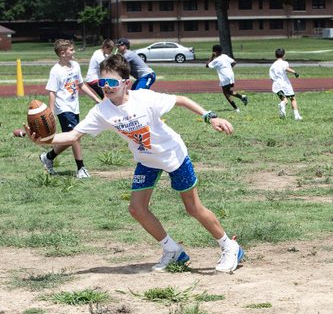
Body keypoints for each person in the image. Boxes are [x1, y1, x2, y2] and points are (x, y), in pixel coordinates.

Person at [28, 53, 245, 273]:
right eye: (102, 82)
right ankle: (173, 251)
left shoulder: (144, 98)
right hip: (147, 160)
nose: (106, 86)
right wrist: (45, 140)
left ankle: (230, 246)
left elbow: (181, 99)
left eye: (112, 82)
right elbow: (74, 135)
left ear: (126, 83)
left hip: (172, 155)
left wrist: (210, 117)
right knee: (137, 209)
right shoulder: (102, 111)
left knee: (193, 208)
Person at [40, 38, 102, 179]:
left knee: (71, 138)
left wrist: (96, 99)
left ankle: (48, 157)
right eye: (71, 50)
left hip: (74, 107)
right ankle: (81, 168)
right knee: (75, 137)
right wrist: (51, 113)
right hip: (63, 108)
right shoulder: (56, 70)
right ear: (63, 53)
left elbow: (81, 84)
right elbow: (52, 92)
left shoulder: (75, 65)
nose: (74, 52)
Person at [206, 44, 248, 112]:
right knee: (228, 91)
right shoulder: (225, 56)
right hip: (231, 75)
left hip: (224, 77)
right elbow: (234, 62)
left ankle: (236, 108)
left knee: (226, 93)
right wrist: (229, 68)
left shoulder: (216, 60)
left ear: (215, 52)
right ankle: (242, 97)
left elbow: (207, 65)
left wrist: (212, 57)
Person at [269, 48, 302, 120]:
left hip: (276, 85)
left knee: (285, 101)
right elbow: (286, 68)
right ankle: (296, 115)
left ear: (275, 55)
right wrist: (294, 72)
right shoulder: (284, 63)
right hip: (285, 84)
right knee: (292, 99)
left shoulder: (272, 66)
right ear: (284, 55)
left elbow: (271, 78)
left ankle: (282, 104)